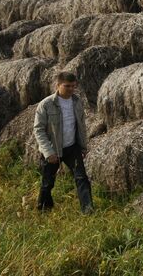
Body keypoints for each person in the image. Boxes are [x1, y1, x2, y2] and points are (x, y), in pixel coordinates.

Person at [33, 71, 94, 214]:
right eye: (67, 86)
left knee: (82, 178)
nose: (71, 89)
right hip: (53, 149)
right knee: (48, 183)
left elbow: (81, 126)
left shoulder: (77, 102)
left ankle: (88, 210)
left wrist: (83, 147)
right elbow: (38, 130)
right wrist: (48, 152)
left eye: (73, 86)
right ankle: (43, 209)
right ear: (58, 85)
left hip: (72, 148)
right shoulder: (46, 104)